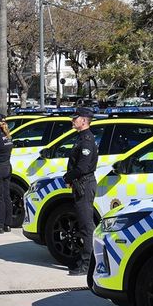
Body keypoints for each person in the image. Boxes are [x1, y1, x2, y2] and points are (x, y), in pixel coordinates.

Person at [64, 107, 99, 276]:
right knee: (84, 224)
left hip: (84, 184)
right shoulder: (81, 138)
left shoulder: (86, 141)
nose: (73, 120)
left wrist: (67, 177)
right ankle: (85, 259)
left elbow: (82, 167)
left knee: (87, 226)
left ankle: (87, 264)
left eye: (75, 118)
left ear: (84, 121)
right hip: (81, 184)